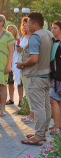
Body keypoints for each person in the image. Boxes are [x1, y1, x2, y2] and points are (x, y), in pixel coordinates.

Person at [16, 12, 53, 145]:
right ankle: (42, 133)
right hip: (46, 75)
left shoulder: (35, 37)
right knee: (45, 106)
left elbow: (34, 59)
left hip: (36, 76)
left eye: (29, 22)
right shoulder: (48, 34)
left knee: (38, 108)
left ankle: (38, 137)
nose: (26, 24)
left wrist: (22, 64)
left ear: (35, 24)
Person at [18, 17, 35, 123]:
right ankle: (30, 113)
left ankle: (32, 115)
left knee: (30, 91)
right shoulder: (24, 36)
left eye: (27, 23)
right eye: (24, 23)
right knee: (26, 91)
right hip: (21, 65)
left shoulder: (34, 37)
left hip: (29, 65)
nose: (25, 25)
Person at [6, 24, 23, 106]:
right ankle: (11, 99)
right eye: (8, 29)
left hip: (17, 63)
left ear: (15, 31)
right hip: (9, 63)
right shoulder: (6, 41)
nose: (9, 31)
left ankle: (20, 100)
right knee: (10, 82)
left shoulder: (19, 40)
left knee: (19, 82)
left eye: (11, 29)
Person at [50, 21, 61, 134]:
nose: (53, 30)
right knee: (58, 100)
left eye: (56, 28)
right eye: (52, 28)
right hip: (55, 75)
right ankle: (58, 124)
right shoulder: (54, 42)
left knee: (52, 99)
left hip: (59, 76)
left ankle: (56, 126)